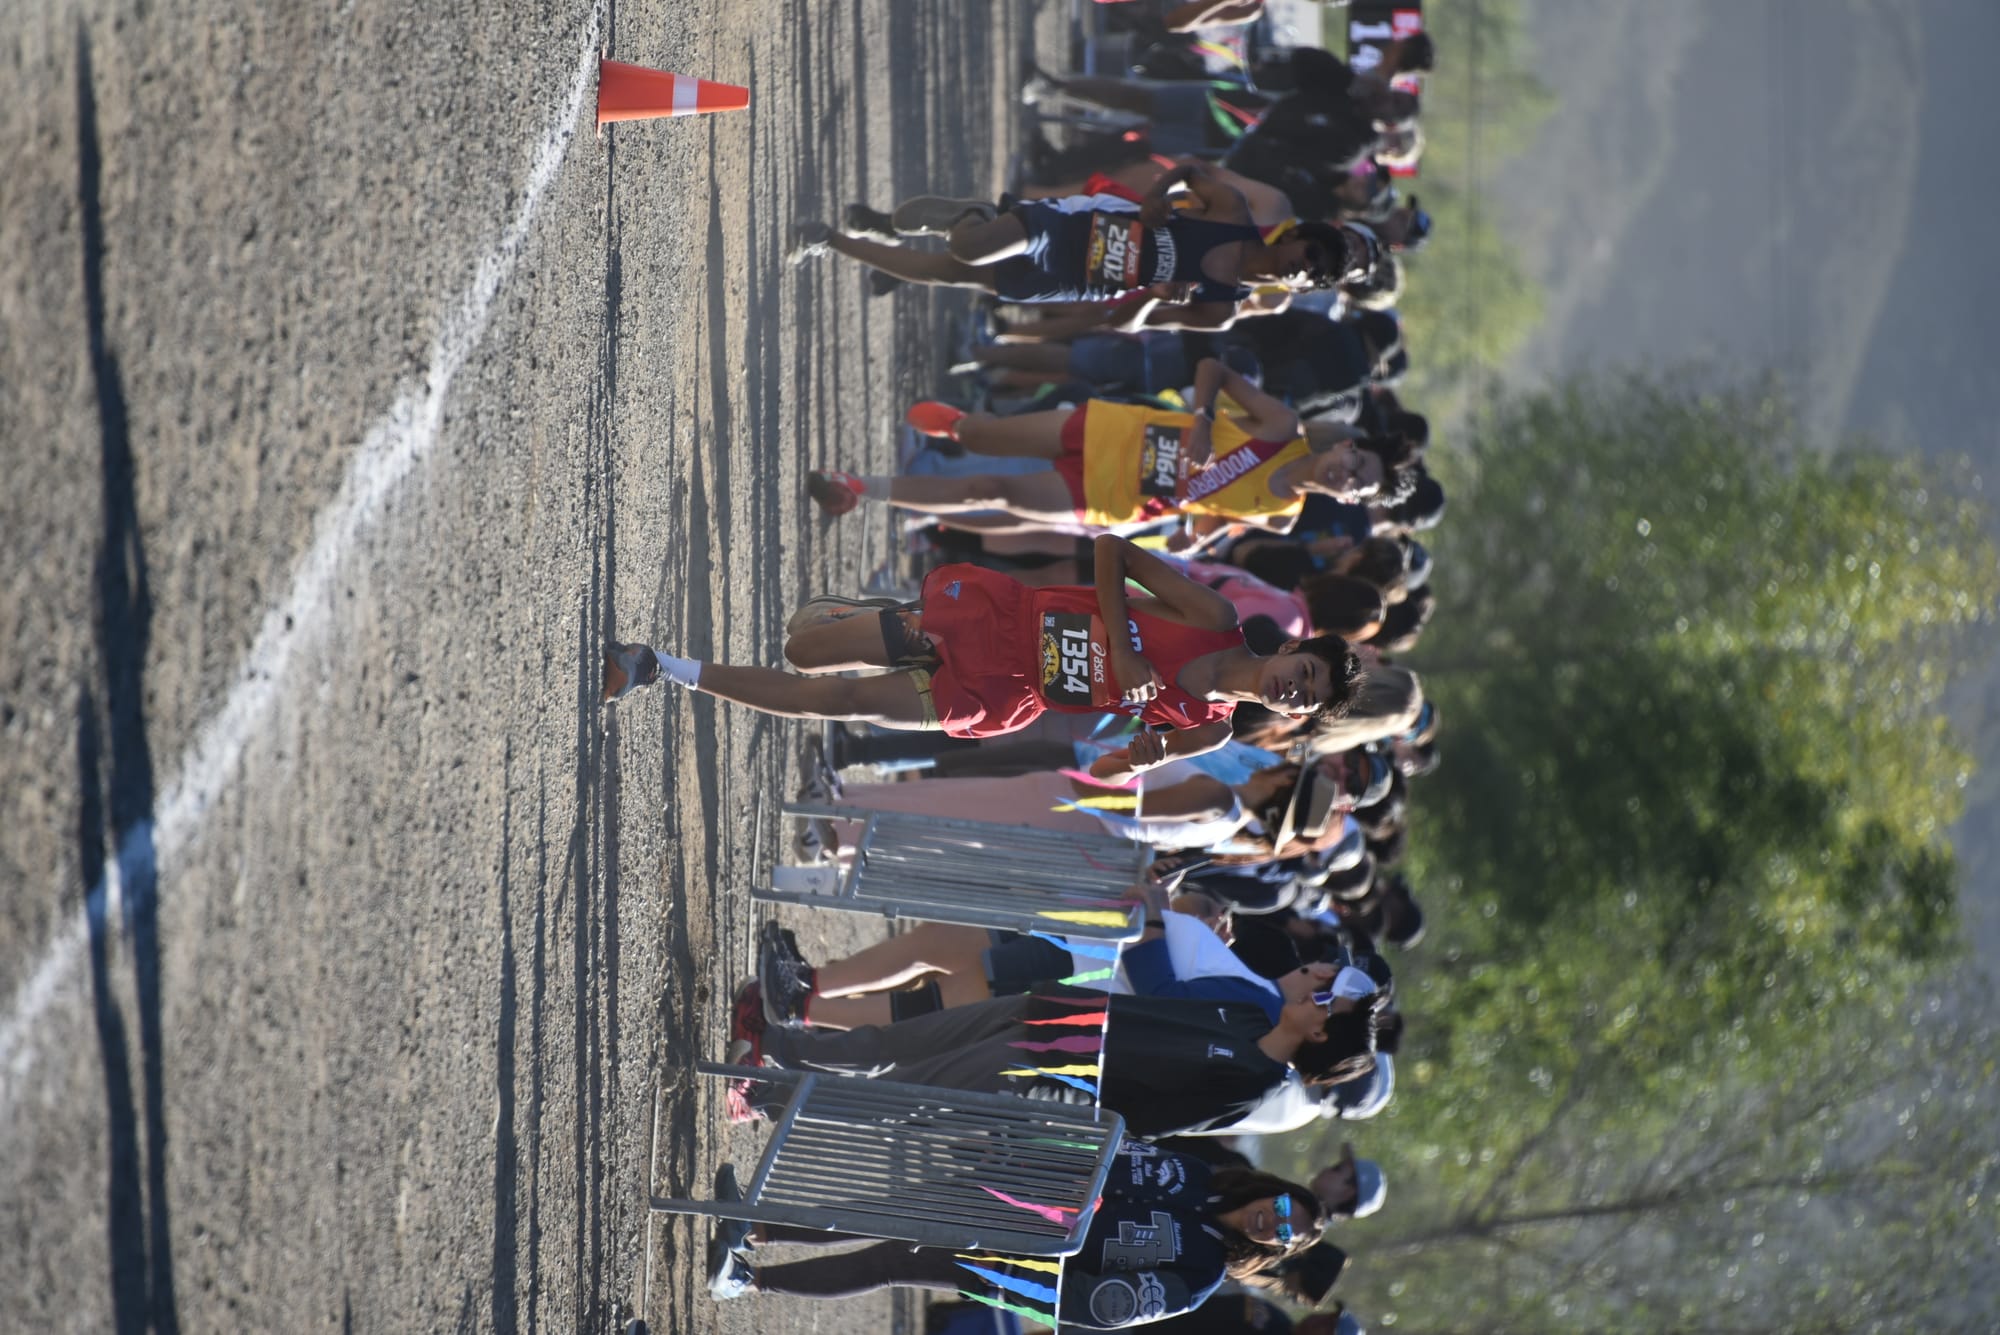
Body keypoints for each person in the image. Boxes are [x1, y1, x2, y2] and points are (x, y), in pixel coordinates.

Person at [602, 535, 1364, 750]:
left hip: (1004, 692)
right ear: (1292, 651)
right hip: (1001, 620)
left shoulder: (1211, 730)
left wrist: (1141, 755)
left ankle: (658, 666)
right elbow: (1111, 550)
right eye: (1305, 671)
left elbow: (1132, 759)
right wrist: (1127, 651)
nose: (1294, 688)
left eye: (1305, 699)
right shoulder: (1212, 615)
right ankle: (876, 614)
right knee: (806, 647)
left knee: (833, 699)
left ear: (1293, 715)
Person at [705, 1140, 1328, 1329]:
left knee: (887, 1262)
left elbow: (1108, 1307)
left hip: (1021, 1264)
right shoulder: (1196, 1173)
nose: (1273, 1221)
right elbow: (1106, 1153)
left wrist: (1028, 1279)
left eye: (1285, 1234)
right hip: (1017, 1199)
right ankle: (754, 1226)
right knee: (891, 1207)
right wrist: (1026, 1160)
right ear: (1271, 1190)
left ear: (1276, 1251)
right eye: (1282, 1207)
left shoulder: (1203, 1275)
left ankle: (747, 1280)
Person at [807, 362, 1415, 543]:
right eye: (1357, 463)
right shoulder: (1282, 427)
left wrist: (1195, 536)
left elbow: (1216, 514)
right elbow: (1213, 367)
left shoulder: (1281, 518)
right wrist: (1204, 420)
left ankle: (859, 490)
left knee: (992, 492)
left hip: (1116, 500)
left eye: (1357, 485)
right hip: (1114, 433)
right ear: (1350, 445)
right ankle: (962, 427)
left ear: (1351, 500)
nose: (1347, 475)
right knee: (983, 439)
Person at [797, 161, 1356, 328]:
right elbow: (1190, 171)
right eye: (1310, 255)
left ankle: (830, 240)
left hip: (1079, 281)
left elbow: (1122, 326)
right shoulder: (1233, 213)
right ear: (1295, 236)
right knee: (970, 248)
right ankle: (975, 215)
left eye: (1314, 276)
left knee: (946, 273)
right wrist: (1157, 197)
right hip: (1080, 227)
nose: (1304, 269)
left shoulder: (1220, 309)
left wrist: (1153, 296)